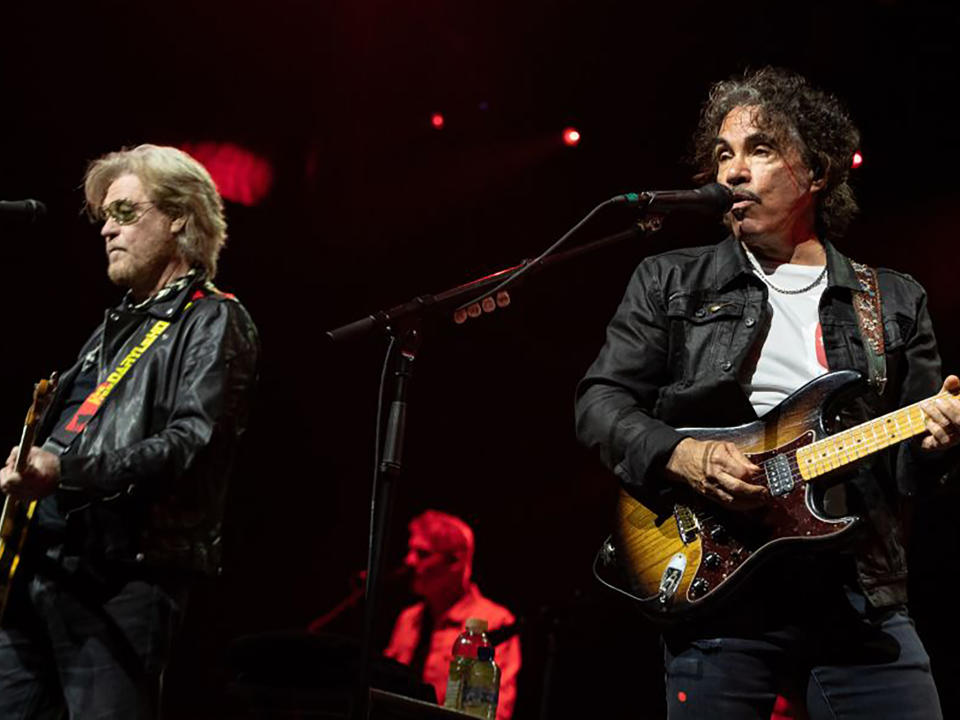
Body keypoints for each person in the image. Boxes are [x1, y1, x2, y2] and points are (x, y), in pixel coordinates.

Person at [575, 67, 959, 719]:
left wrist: (934, 443)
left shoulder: (891, 300)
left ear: (818, 171)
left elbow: (908, 471)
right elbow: (600, 404)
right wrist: (681, 454)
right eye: (723, 153)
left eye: (760, 148)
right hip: (720, 591)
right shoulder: (670, 281)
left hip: (858, 597)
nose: (733, 171)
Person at [0, 144, 260, 718]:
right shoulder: (115, 325)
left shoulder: (214, 319)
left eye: (124, 213)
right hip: (44, 566)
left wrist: (65, 471)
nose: (106, 231)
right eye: (104, 217)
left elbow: (189, 446)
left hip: (122, 579)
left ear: (179, 219)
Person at [383, 510, 521, 720]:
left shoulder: (494, 622)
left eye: (423, 554)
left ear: (455, 562)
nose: (409, 561)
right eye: (410, 551)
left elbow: (495, 711)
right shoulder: (409, 619)